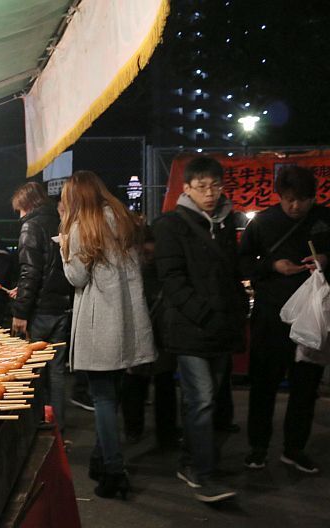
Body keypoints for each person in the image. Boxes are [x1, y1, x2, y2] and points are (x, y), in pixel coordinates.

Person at [154, 156, 247, 502]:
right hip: (190, 329)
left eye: (216, 186)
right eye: (202, 187)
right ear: (187, 189)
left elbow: (231, 275)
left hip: (221, 328)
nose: (210, 193)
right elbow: (172, 280)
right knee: (203, 398)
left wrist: (234, 314)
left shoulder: (225, 224)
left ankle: (193, 459)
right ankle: (202, 473)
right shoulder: (170, 225)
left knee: (203, 401)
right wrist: (206, 314)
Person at [60, 171, 154, 500]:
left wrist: (64, 244)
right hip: (124, 323)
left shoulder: (80, 228)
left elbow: (76, 278)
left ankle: (114, 471)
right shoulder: (122, 221)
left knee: (101, 398)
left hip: (100, 325)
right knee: (109, 398)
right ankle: (102, 460)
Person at [240, 165, 330, 474]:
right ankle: (258, 447)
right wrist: (272, 266)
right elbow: (242, 262)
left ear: (312, 197)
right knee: (264, 384)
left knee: (305, 387)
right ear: (279, 196)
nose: (295, 206)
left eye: (303, 199)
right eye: (289, 199)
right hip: (271, 315)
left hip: (313, 319)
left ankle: (294, 449)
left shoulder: (324, 219)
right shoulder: (263, 222)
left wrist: (325, 259)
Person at [10, 182, 73, 436]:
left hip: (39, 310)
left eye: (19, 210)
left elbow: (30, 271)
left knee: (33, 368)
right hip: (62, 307)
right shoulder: (61, 222)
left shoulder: (31, 226)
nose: (19, 216)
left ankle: (34, 422)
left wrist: (21, 311)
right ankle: (57, 424)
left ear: (26, 204)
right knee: (56, 371)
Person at [121, 226, 179, 448]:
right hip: (143, 332)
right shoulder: (133, 271)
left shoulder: (157, 270)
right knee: (138, 382)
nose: (145, 251)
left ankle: (151, 431)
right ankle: (143, 429)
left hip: (161, 332)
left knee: (157, 383)